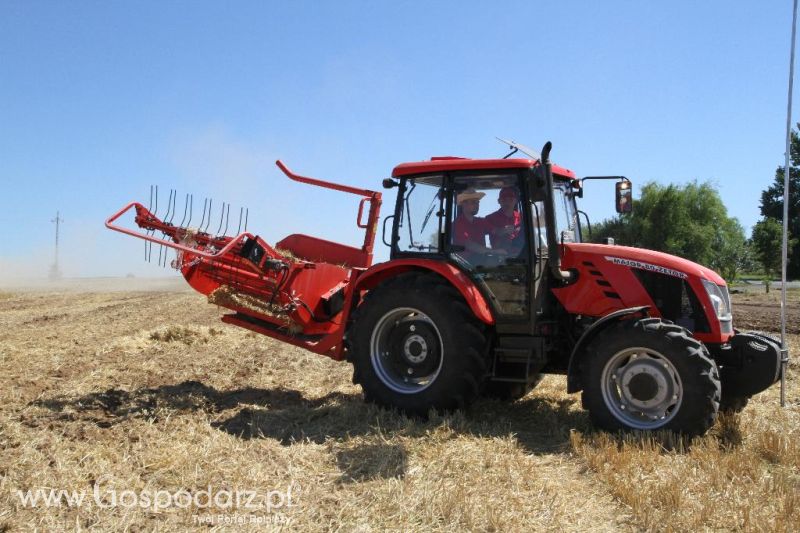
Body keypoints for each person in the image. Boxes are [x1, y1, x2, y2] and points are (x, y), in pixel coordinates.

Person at [452, 188, 506, 261]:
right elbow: (470, 245)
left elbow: (496, 231)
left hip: (480, 260)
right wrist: (494, 251)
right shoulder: (458, 223)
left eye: (478, 202)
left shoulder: (480, 222)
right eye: (473, 202)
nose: (477, 205)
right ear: (464, 204)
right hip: (464, 263)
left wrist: (507, 229)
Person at [485, 186, 523, 255]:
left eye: (511, 199)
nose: (507, 202)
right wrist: (503, 231)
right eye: (504, 199)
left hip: (521, 257)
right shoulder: (489, 218)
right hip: (498, 258)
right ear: (499, 201)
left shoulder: (522, 218)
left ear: (516, 201)